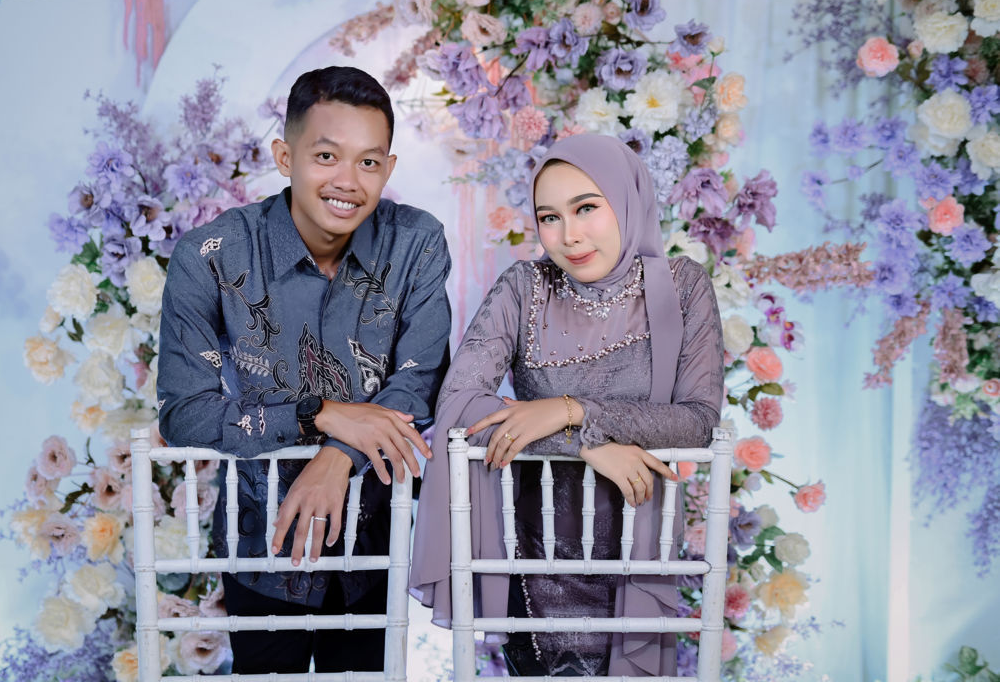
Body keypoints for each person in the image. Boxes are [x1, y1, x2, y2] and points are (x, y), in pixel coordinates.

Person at [157, 66, 452, 674]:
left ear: (389, 169)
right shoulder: (211, 255)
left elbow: (420, 382)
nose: (348, 181)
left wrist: (338, 456)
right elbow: (185, 413)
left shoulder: (416, 243)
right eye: (325, 156)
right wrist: (318, 415)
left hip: (377, 539)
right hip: (261, 544)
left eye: (368, 162)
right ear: (284, 157)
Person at [409, 133, 724, 677]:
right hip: (536, 558)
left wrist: (573, 410)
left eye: (586, 209)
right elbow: (459, 403)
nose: (568, 235)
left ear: (627, 200)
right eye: (549, 217)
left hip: (637, 550)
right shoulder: (524, 287)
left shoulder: (681, 287)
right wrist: (584, 444)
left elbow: (697, 421)